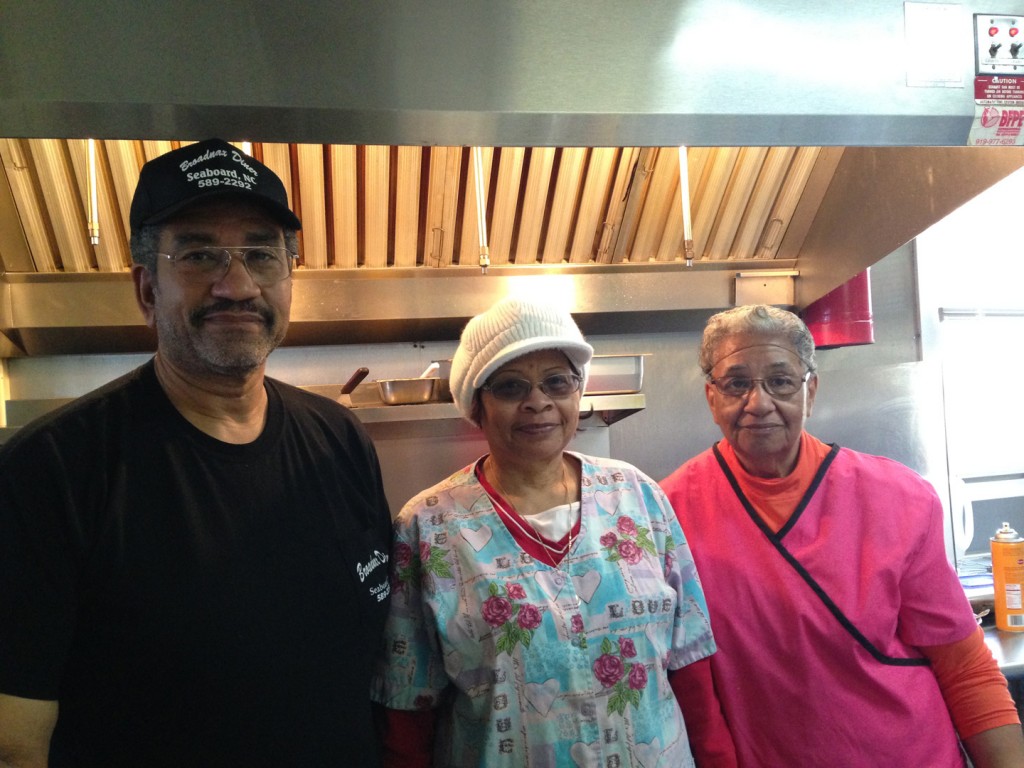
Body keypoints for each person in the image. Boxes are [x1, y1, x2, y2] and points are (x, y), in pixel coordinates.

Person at [0, 139, 394, 767]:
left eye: (262, 254)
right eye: (199, 253)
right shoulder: (51, 471)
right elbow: (15, 744)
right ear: (147, 289)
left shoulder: (341, 440)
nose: (235, 284)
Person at [370, 295, 733, 767]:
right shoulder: (429, 526)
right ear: (476, 405)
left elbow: (690, 663)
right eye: (510, 387)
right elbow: (409, 708)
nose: (537, 402)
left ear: (577, 392)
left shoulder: (637, 495)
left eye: (556, 382)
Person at [660, 303, 1024, 767]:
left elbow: (966, 669)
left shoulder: (897, 498)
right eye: (736, 384)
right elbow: (692, 696)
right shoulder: (667, 516)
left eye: (781, 381)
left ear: (810, 391)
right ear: (712, 398)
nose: (759, 403)